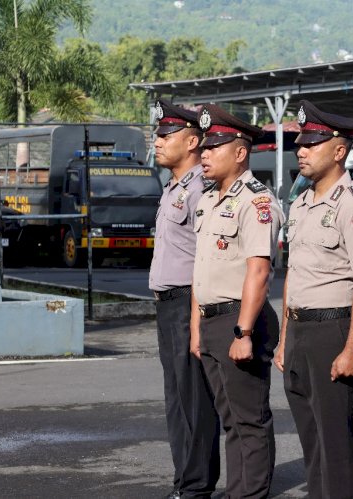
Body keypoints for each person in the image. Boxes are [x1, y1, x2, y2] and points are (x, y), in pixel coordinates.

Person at [273, 100, 353, 499]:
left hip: (334, 330)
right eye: (301, 142)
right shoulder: (300, 203)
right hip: (299, 330)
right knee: (311, 441)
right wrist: (284, 338)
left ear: (339, 150)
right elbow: (292, 277)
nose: (301, 150)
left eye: (312, 143)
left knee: (335, 441)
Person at [190, 103, 283, 499]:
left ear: (240, 152)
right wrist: (196, 327)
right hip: (211, 321)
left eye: (215, 147)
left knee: (250, 419)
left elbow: (258, 272)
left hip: (240, 320)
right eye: (204, 147)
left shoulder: (256, 202)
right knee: (230, 420)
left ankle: (251, 494)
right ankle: (238, 491)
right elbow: (202, 267)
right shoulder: (208, 199)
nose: (204, 154)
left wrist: (243, 331)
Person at [148, 99, 220, 499]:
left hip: (187, 303)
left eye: (165, 135)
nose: (157, 141)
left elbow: (206, 258)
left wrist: (195, 316)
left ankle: (196, 486)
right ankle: (184, 481)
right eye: (157, 134)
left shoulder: (200, 189)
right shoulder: (174, 187)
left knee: (194, 401)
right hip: (166, 304)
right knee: (176, 400)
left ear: (193, 141)